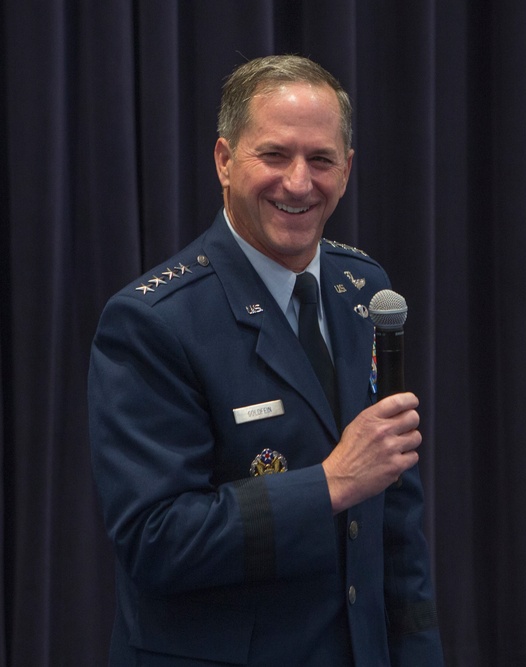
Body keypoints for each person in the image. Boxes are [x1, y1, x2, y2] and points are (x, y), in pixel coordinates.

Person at [89, 55, 445, 665]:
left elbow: (395, 524)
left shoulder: (363, 289)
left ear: (348, 168)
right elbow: (157, 542)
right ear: (225, 161)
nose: (300, 183)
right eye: (275, 155)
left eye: (322, 159)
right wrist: (329, 485)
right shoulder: (153, 321)